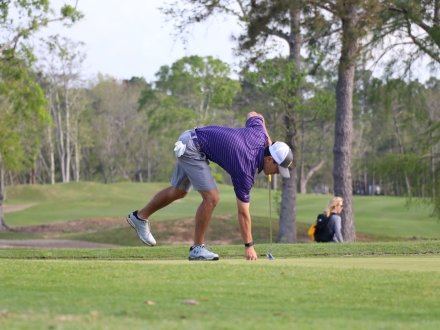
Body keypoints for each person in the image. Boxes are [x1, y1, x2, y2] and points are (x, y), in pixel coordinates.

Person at [126, 112, 293, 261]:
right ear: (269, 159)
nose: (278, 173)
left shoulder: (259, 135)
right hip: (193, 147)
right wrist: (249, 245)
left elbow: (255, 114)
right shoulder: (245, 168)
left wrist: (268, 139)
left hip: (190, 138)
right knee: (212, 198)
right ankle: (197, 249)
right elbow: (243, 213)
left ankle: (139, 217)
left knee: (178, 191)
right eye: (278, 168)